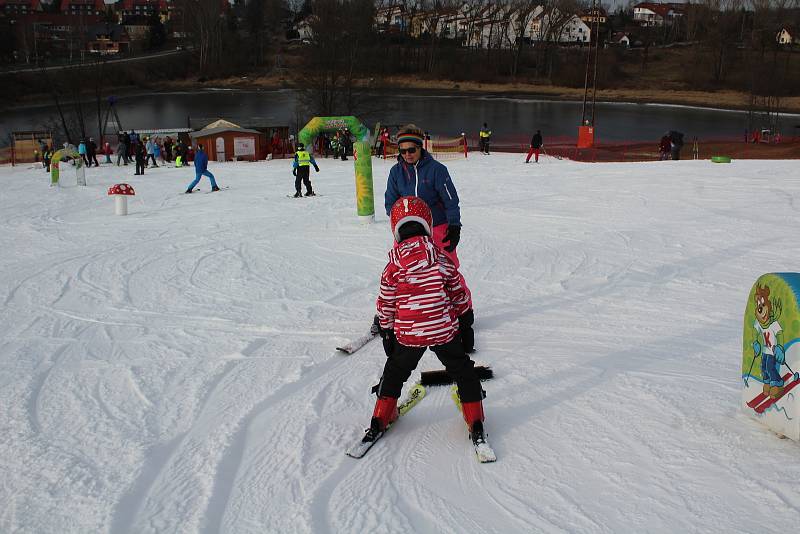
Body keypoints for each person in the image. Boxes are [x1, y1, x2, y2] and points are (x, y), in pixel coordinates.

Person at [364, 196, 488, 447]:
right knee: (462, 370)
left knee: (395, 371)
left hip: (408, 334)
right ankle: (475, 417)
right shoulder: (441, 259)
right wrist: (466, 321)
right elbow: (458, 293)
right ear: (428, 225)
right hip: (443, 330)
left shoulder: (392, 267)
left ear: (396, 231)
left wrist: (387, 332)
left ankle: (381, 415)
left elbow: (385, 303)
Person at [384, 124, 475, 353]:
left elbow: (451, 200)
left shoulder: (436, 170)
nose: (407, 155)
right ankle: (403, 311)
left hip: (437, 226)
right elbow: (390, 202)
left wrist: (454, 226)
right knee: (403, 271)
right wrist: (400, 224)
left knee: (448, 268)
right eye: (402, 151)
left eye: (411, 150)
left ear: (420, 147)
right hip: (407, 231)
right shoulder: (396, 173)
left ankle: (462, 311)